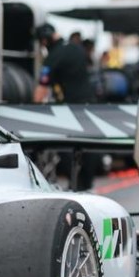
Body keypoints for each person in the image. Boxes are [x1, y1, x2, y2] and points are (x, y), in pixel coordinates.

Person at [33, 22, 98, 188]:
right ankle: (87, 185)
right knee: (88, 146)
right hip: (90, 105)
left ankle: (75, 185)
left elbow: (41, 91)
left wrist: (32, 110)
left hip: (70, 107)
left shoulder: (53, 57)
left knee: (65, 147)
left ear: (44, 41)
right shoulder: (77, 48)